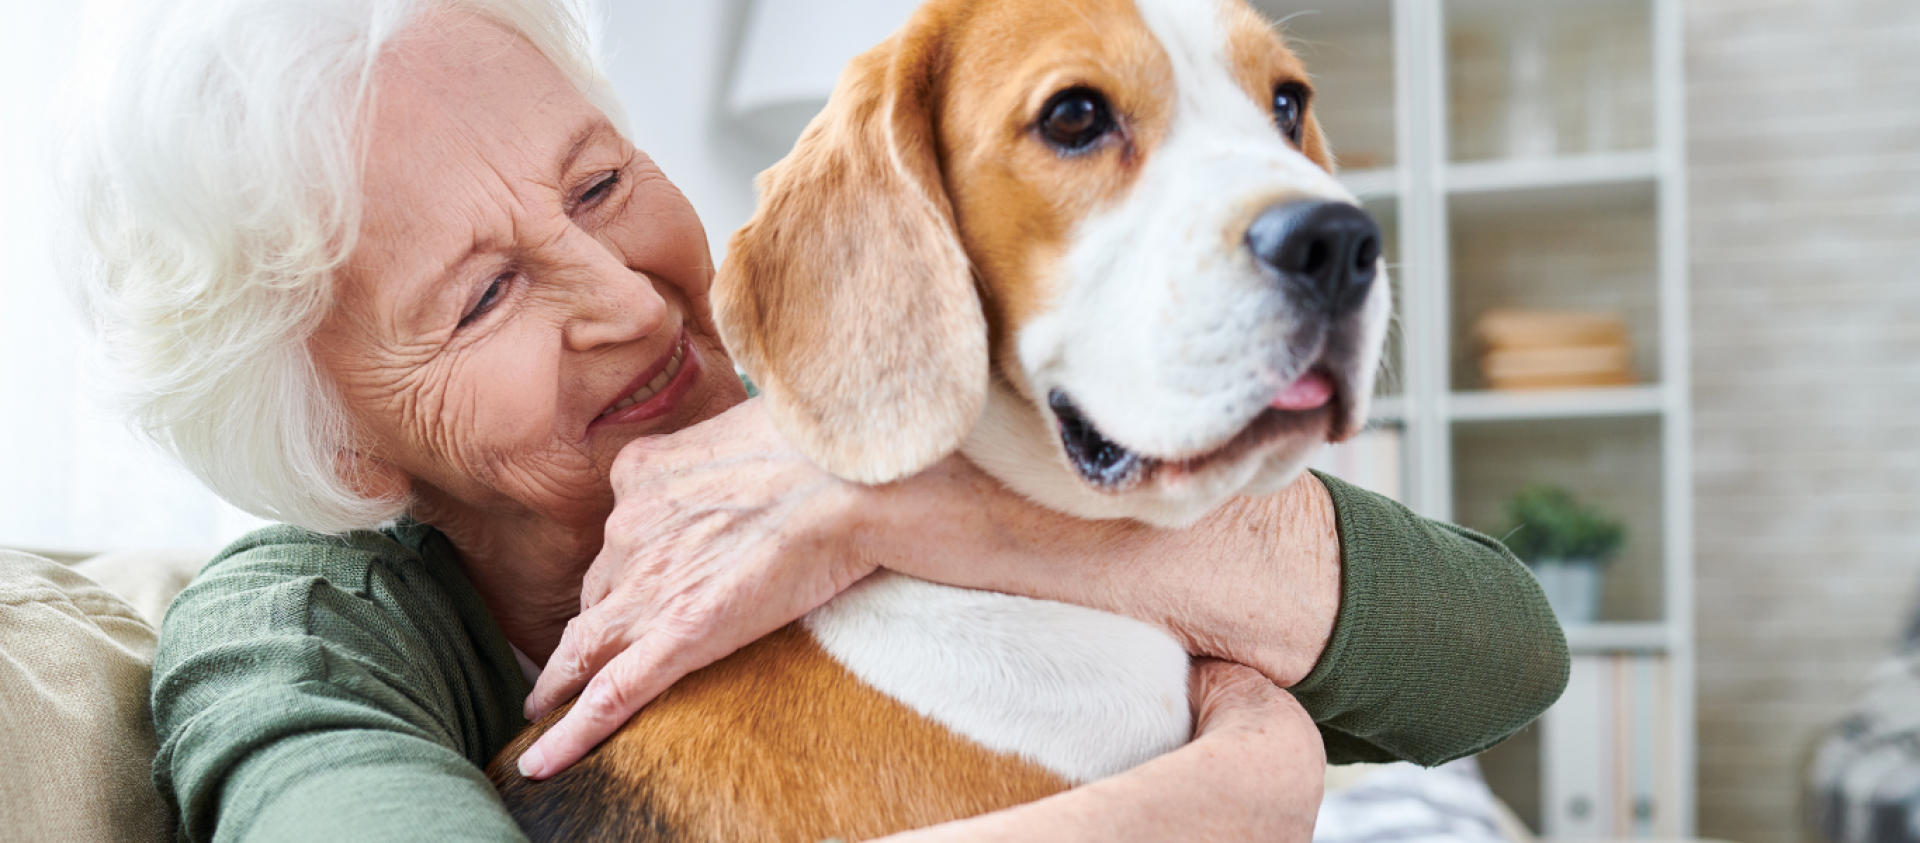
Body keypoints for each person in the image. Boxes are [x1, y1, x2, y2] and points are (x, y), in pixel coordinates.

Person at [66, 0, 1568, 839]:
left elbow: (1502, 647)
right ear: (345, 441)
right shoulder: (301, 629)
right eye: (480, 297)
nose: (630, 298)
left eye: (600, 184)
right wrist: (1230, 793)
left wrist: (887, 496)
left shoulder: (884, 388)